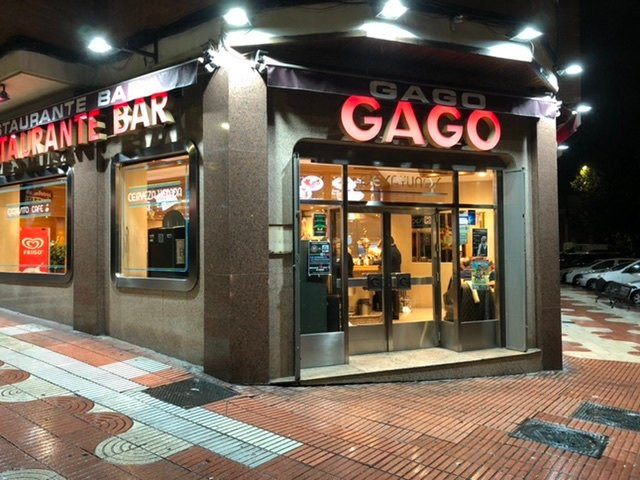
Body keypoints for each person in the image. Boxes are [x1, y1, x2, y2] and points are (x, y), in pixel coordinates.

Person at [390, 236, 402, 319]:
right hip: (396, 273)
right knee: (395, 295)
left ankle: (394, 314)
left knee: (393, 295)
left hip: (392, 274)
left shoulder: (391, 251)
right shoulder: (396, 250)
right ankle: (395, 313)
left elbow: (385, 262)